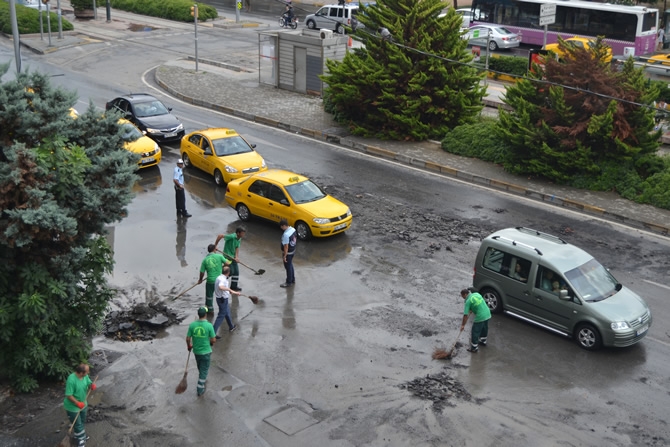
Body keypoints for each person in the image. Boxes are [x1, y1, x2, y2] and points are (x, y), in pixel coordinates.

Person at [186, 307, 216, 397]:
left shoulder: (192, 325)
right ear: (205, 315)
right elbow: (213, 340)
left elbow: (188, 338)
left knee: (200, 367)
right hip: (206, 352)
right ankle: (200, 388)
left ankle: (201, 378)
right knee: (204, 370)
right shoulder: (209, 325)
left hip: (197, 352)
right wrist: (210, 342)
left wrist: (189, 346)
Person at [63, 363, 96, 447]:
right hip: (73, 406)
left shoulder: (85, 377)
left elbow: (89, 382)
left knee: (81, 421)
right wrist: (77, 403)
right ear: (81, 372)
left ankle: (80, 435)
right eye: (87, 371)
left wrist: (91, 385)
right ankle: (81, 439)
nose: (88, 373)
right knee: (77, 424)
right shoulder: (71, 380)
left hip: (83, 404)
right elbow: (68, 395)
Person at [198, 244, 230, 311]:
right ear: (214, 249)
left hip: (210, 281)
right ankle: (223, 309)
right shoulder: (219, 256)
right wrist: (222, 266)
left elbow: (202, 272)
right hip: (219, 281)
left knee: (209, 297)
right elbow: (227, 263)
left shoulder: (205, 260)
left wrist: (200, 280)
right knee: (222, 295)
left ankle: (210, 310)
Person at [213, 265, 241, 338]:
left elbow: (222, 287)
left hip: (220, 298)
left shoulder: (219, 277)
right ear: (228, 272)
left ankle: (231, 326)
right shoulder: (223, 280)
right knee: (221, 316)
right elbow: (221, 287)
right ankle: (212, 333)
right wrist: (230, 290)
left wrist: (228, 292)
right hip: (223, 300)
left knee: (227, 312)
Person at [460, 288, 491, 353]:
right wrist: (472, 309)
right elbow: (478, 304)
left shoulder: (468, 301)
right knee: (484, 328)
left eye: (462, 296)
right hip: (487, 313)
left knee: (475, 331)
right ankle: (483, 341)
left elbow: (465, 315)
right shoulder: (476, 294)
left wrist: (463, 325)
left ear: (465, 294)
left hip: (480, 316)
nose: (463, 298)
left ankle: (474, 348)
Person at [215, 227, 246, 291]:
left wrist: (236, 257)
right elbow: (220, 236)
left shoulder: (239, 239)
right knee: (231, 271)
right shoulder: (231, 236)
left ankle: (233, 286)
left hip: (233, 257)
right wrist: (215, 245)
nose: (243, 235)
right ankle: (221, 280)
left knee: (236, 272)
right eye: (242, 233)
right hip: (227, 257)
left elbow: (237, 247)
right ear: (238, 233)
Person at [279, 219, 297, 288]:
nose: (281, 229)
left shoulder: (286, 235)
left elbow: (286, 246)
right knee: (290, 265)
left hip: (288, 253)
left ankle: (288, 282)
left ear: (284, 226)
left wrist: (285, 256)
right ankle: (292, 279)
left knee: (288, 267)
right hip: (293, 251)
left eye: (281, 227)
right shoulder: (293, 229)